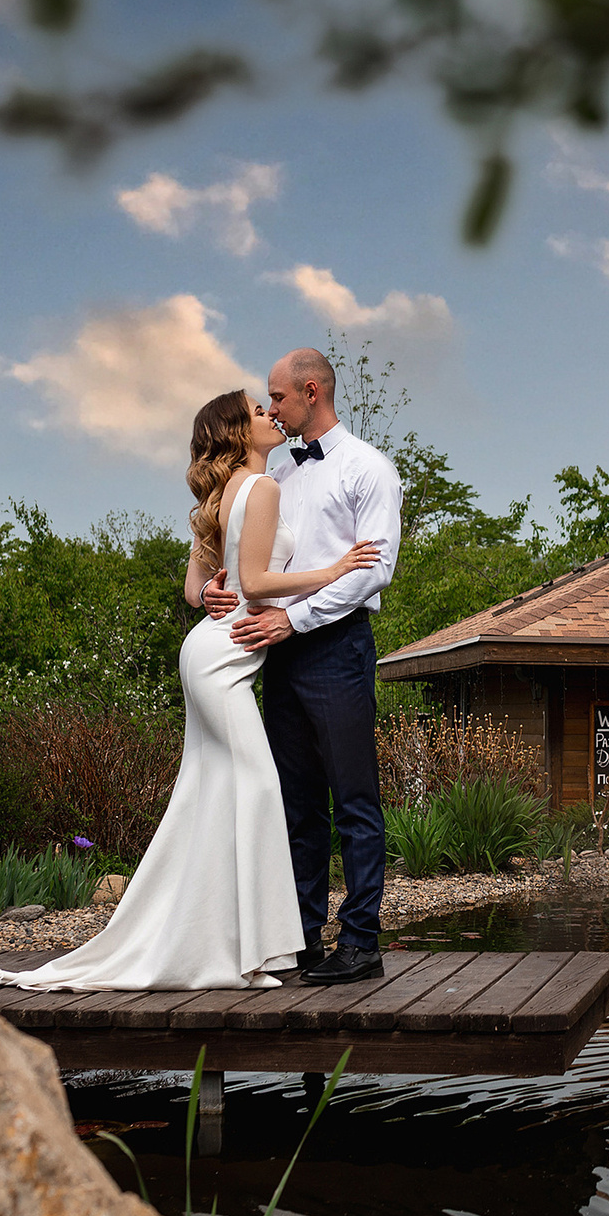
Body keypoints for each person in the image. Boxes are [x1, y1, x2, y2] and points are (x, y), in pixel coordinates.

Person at [0, 388, 380, 991]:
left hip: (213, 648)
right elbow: (253, 579)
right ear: (238, 434)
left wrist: (213, 590)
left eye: (272, 403)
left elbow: (197, 587)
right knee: (258, 793)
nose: (269, 414)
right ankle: (254, 950)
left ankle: (237, 943)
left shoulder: (222, 495)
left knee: (213, 794)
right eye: (256, 410)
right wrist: (333, 568)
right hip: (225, 657)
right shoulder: (264, 488)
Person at [225, 347, 403, 984]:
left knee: (354, 798)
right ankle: (301, 938)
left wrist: (293, 618)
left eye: (276, 397)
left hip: (336, 647)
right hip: (279, 651)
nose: (270, 409)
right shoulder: (280, 477)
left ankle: (360, 942)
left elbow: (373, 571)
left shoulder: (369, 469)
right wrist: (230, 590)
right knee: (295, 804)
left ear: (309, 391)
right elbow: (262, 567)